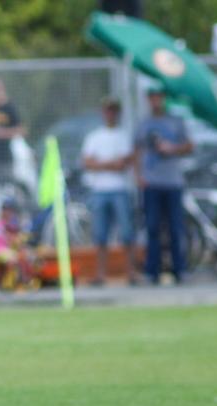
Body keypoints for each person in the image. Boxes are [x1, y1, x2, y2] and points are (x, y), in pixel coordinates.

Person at [134, 87, 193, 284]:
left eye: (159, 97)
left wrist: (173, 148)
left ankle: (179, 270)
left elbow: (189, 145)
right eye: (152, 97)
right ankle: (153, 272)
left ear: (164, 99)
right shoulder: (144, 124)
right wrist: (138, 176)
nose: (155, 101)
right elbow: (137, 151)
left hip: (173, 182)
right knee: (152, 227)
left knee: (176, 227)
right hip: (151, 183)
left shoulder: (176, 122)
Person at [81, 97, 136, 285]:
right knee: (100, 233)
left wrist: (101, 163)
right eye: (107, 110)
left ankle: (130, 272)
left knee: (127, 232)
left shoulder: (123, 136)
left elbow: (124, 163)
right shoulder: (94, 137)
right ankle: (100, 274)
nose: (110, 114)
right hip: (100, 190)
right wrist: (110, 163)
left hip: (120, 189)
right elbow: (88, 162)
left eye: (114, 110)